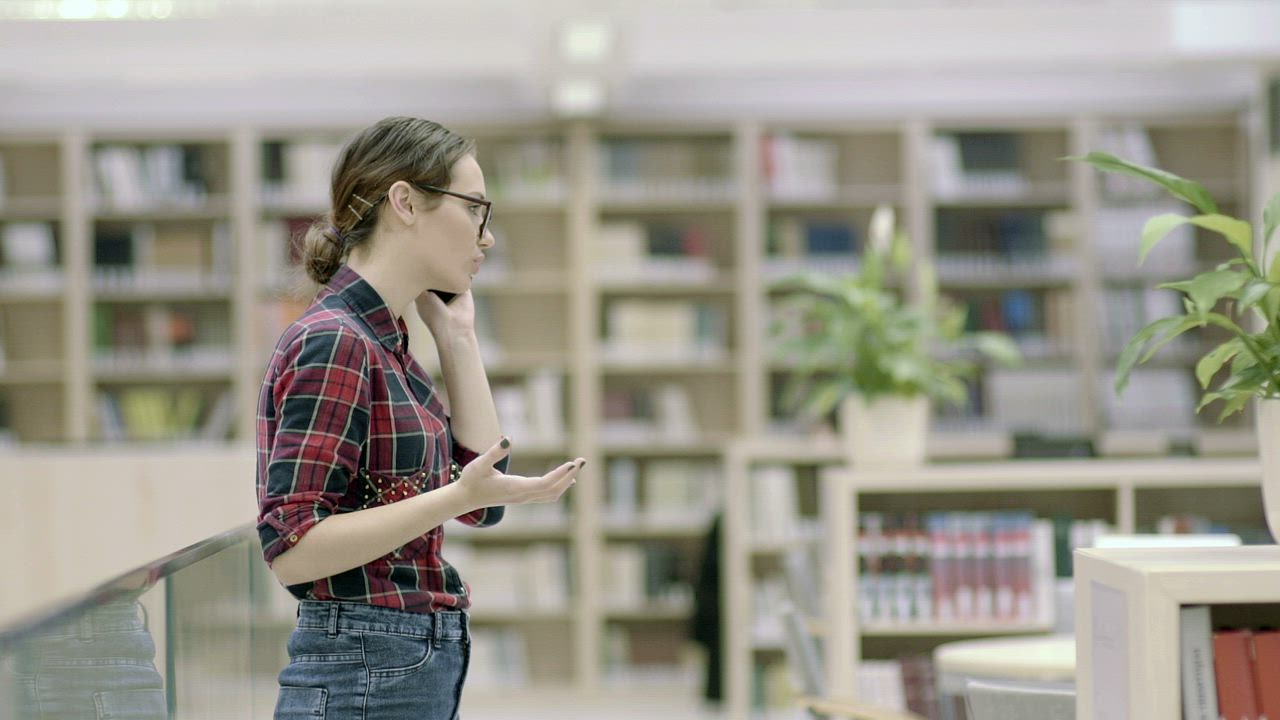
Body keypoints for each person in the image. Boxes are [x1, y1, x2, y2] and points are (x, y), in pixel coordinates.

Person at [255, 116, 584, 720]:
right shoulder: (335, 341)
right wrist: (452, 498)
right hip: (364, 666)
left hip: (392, 664)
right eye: (474, 209)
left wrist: (457, 337)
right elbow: (292, 548)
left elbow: (484, 502)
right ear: (405, 202)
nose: (486, 237)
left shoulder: (391, 344)